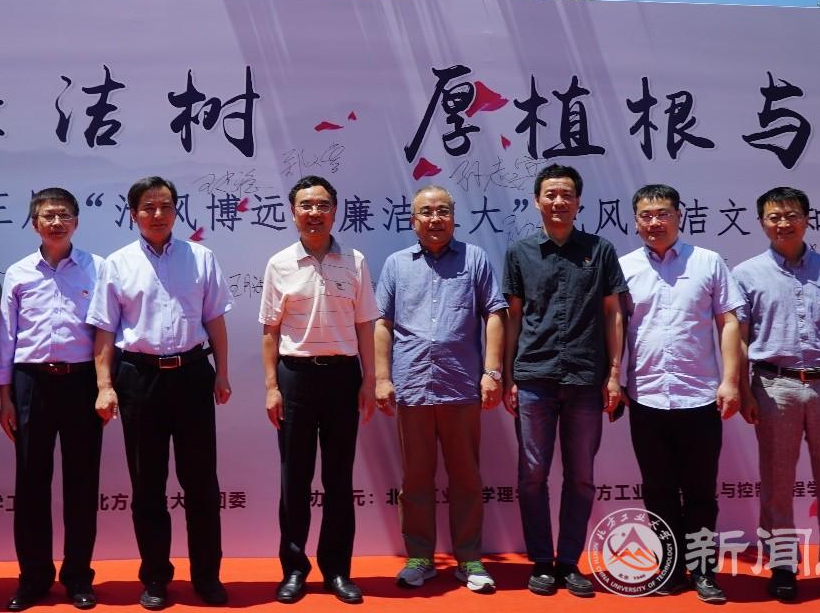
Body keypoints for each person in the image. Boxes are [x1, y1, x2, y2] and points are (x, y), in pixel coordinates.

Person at [87, 176, 232, 611]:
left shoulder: (201, 257)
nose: (157, 214)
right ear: (133, 213)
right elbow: (105, 330)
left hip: (192, 375)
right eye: (148, 207)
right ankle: (155, 578)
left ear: (176, 211)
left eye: (166, 206)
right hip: (139, 378)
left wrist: (222, 373)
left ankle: (207, 577)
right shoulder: (118, 263)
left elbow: (215, 320)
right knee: (147, 485)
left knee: (201, 483)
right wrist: (104, 386)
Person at [733, 186, 820, 608]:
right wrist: (744, 390)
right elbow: (740, 338)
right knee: (777, 485)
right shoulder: (747, 273)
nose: (783, 223)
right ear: (762, 222)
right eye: (774, 216)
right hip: (774, 387)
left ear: (807, 219)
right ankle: (783, 567)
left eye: (791, 215)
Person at [374, 184, 507, 594]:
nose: (435, 219)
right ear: (413, 220)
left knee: (466, 477)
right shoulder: (396, 264)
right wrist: (382, 377)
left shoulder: (474, 258)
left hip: (461, 385)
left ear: (453, 217)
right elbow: (383, 323)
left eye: (443, 211)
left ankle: (469, 559)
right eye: (427, 212)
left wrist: (492, 372)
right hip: (412, 385)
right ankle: (419, 557)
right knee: (415, 478)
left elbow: (495, 314)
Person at [502, 162, 626, 597]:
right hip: (533, 378)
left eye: (566, 194)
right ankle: (541, 560)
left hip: (586, 380)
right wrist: (508, 375)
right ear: (537, 201)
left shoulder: (600, 249)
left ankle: (570, 561)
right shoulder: (520, 252)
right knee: (532, 474)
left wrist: (614, 374)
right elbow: (513, 317)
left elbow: (613, 313)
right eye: (550, 194)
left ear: (578, 202)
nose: (558, 201)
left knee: (581, 477)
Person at [618, 183, 743, 603]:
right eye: (646, 215)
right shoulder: (625, 267)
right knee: (658, 490)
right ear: (636, 222)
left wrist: (730, 380)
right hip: (647, 396)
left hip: (699, 396)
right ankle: (669, 569)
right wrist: (614, 378)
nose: (655, 222)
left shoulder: (708, 262)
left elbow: (729, 322)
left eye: (663, 214)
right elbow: (614, 328)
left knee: (701, 491)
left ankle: (703, 570)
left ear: (679, 216)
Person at [260, 175, 378, 605]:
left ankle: (337, 570)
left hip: (343, 377)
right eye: (306, 206)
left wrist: (370, 379)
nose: (314, 213)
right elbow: (270, 331)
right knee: (294, 478)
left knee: (338, 479)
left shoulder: (356, 261)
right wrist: (271, 387)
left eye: (322, 205)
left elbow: (365, 325)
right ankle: (294, 569)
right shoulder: (279, 264)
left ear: (335, 211)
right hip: (295, 378)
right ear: (293, 213)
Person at [0, 187, 103, 611]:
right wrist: (5, 397)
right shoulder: (19, 273)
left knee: (82, 484)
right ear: (34, 223)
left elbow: (107, 331)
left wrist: (105, 386)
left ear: (77, 221)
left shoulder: (98, 268)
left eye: (64, 215)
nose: (56, 223)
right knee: (30, 483)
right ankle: (33, 578)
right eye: (48, 215)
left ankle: (78, 577)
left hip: (82, 383)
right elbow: (7, 337)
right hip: (30, 383)